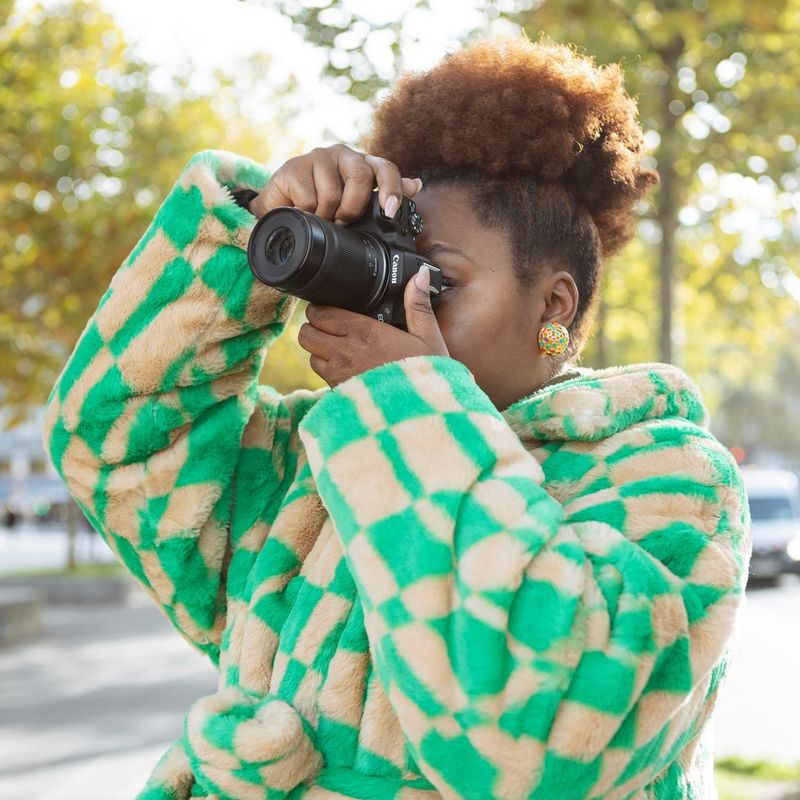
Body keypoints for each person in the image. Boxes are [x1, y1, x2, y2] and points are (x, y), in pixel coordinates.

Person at [41, 35, 750, 800]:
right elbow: (112, 443)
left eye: (437, 280)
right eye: (382, 266)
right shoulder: (325, 463)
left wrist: (412, 401)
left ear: (553, 305)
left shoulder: (673, 477)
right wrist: (252, 229)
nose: (398, 303)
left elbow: (537, 742)